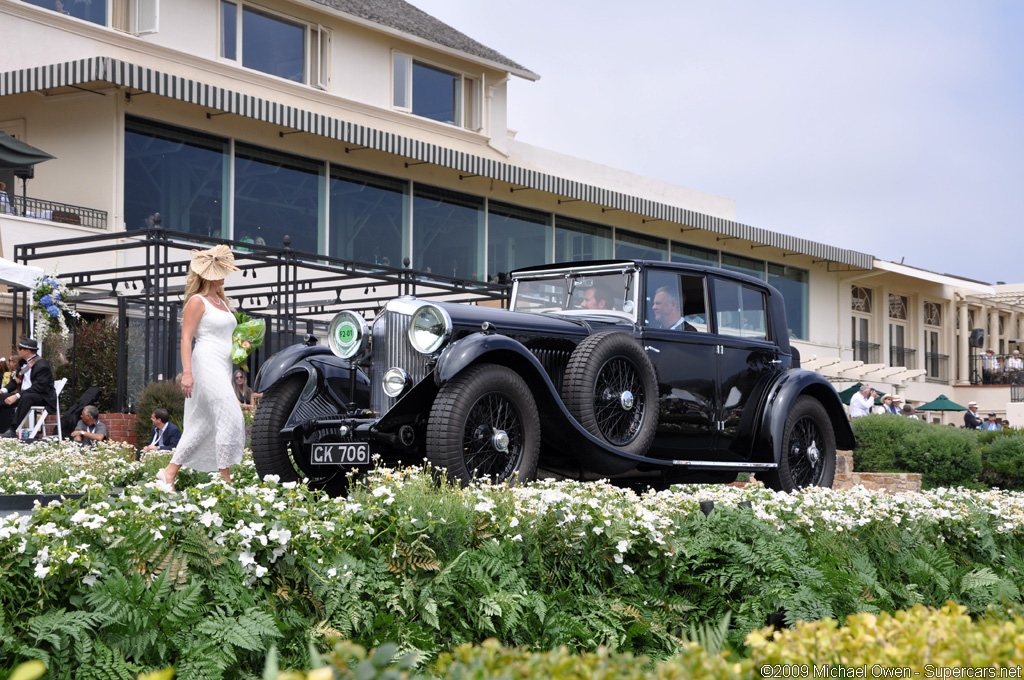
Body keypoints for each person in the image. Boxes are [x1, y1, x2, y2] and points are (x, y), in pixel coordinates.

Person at [157, 245, 244, 490]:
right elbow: (186, 338)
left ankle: (169, 473)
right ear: (208, 274)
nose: (225, 272)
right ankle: (225, 481)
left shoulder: (222, 302)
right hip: (205, 363)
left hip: (223, 364)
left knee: (204, 423)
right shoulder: (198, 301)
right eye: (220, 269)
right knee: (230, 414)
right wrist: (187, 373)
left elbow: (227, 335)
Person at [0, 338, 57, 438]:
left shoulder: (42, 365)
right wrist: (3, 390)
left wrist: (17, 396)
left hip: (41, 397)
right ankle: (3, 428)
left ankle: (13, 430)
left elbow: (38, 388)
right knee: (2, 398)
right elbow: (16, 381)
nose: (17, 350)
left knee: (27, 397)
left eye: (20, 348)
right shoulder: (22, 363)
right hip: (24, 394)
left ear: (28, 351)